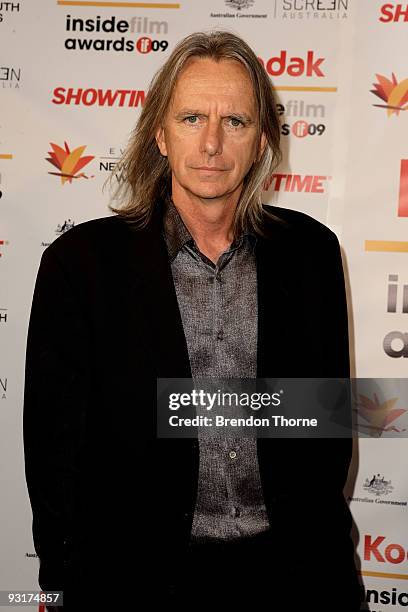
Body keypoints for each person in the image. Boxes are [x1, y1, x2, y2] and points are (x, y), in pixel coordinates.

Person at [23, 31, 361, 610]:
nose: (211, 143)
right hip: (135, 583)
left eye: (234, 121)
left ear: (261, 142)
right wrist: (64, 587)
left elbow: (325, 431)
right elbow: (54, 458)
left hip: (291, 580)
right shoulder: (80, 265)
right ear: (159, 133)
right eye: (190, 118)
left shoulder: (312, 253)